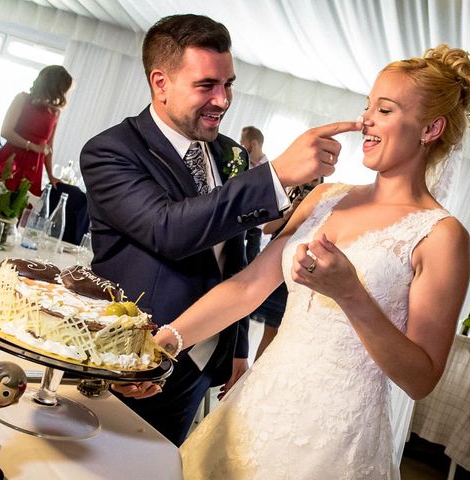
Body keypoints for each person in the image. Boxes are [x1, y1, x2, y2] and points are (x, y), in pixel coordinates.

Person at [151, 44, 470, 478]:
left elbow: (421, 379)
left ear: (431, 128)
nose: (366, 119)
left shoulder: (442, 236)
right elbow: (247, 288)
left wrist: (351, 294)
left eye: (384, 110)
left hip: (334, 442)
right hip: (257, 411)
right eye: (367, 106)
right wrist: (167, 341)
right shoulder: (327, 197)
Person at [80, 13, 357, 446]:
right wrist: (276, 176)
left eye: (228, 84)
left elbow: (237, 259)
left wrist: (237, 350)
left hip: (200, 362)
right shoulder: (111, 152)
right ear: (160, 82)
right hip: (130, 357)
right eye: (206, 85)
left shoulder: (230, 154)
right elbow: (168, 230)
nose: (223, 100)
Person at [252, 180, 318, 360]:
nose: (311, 183)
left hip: (297, 269)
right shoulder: (284, 198)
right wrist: (291, 213)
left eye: (316, 181)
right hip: (276, 265)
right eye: (310, 180)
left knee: (286, 333)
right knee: (271, 331)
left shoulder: (320, 205)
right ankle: (254, 374)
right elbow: (267, 229)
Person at [0, 65, 72, 195]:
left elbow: (49, 146)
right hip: (11, 158)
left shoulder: (55, 112)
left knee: (23, 208)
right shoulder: (22, 99)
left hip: (34, 167)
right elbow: (5, 131)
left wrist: (50, 175)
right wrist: (32, 146)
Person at [240, 125, 269, 263]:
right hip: (237, 222)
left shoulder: (269, 171)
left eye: (242, 142)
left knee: (249, 264)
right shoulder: (242, 165)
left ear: (252, 144)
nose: (240, 145)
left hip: (255, 227)